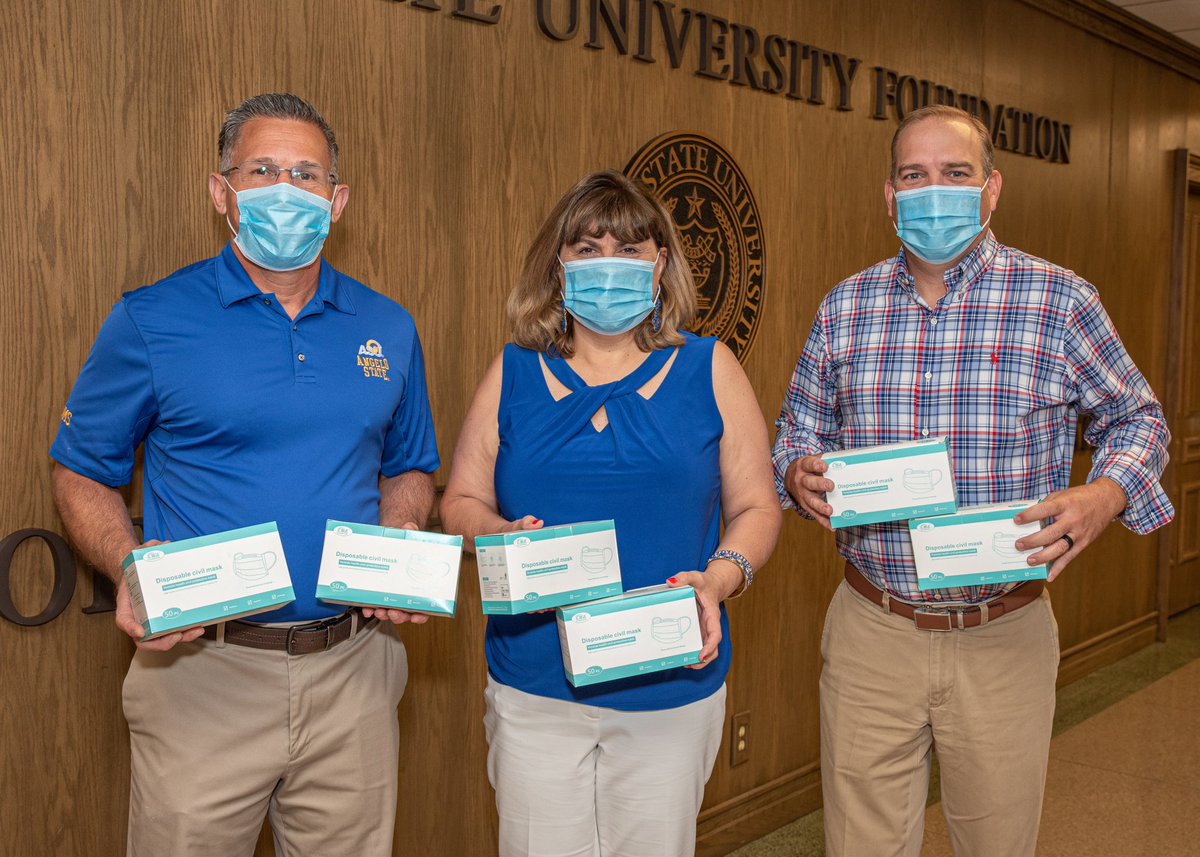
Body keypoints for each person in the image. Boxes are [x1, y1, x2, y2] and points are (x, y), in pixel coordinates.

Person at [772, 104, 1173, 857]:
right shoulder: (844, 308)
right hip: (872, 628)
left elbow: (1141, 421)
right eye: (914, 175)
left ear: (992, 189)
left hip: (1005, 633)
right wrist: (796, 469)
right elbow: (797, 428)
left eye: (955, 174)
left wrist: (1104, 493)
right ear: (888, 196)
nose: (934, 191)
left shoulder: (1060, 302)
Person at [50, 93, 439, 856]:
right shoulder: (151, 320)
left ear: (338, 198)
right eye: (262, 170)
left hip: (353, 669)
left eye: (306, 173)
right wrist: (129, 568)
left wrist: (401, 534)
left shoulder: (387, 327)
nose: (286, 190)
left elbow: (410, 464)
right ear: (221, 192)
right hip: (203, 672)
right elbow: (79, 469)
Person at [440, 169, 781, 857]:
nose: (608, 267)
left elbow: (757, 507)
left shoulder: (711, 368)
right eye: (587, 249)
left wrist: (720, 579)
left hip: (669, 683)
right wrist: (497, 533)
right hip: (535, 685)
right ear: (557, 266)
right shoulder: (513, 371)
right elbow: (461, 501)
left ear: (660, 264)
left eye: (629, 249)